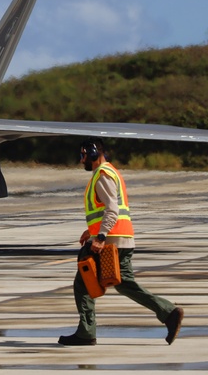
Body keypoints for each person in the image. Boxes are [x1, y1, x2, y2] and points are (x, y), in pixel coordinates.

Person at [59, 138, 184, 346]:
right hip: (117, 239)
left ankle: (87, 332)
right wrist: (91, 232)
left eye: (83, 155)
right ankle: (167, 312)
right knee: (122, 284)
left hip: (110, 243)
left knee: (84, 283)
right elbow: (105, 211)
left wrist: (99, 237)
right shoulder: (109, 172)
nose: (81, 161)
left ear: (92, 153)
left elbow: (112, 210)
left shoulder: (102, 176)